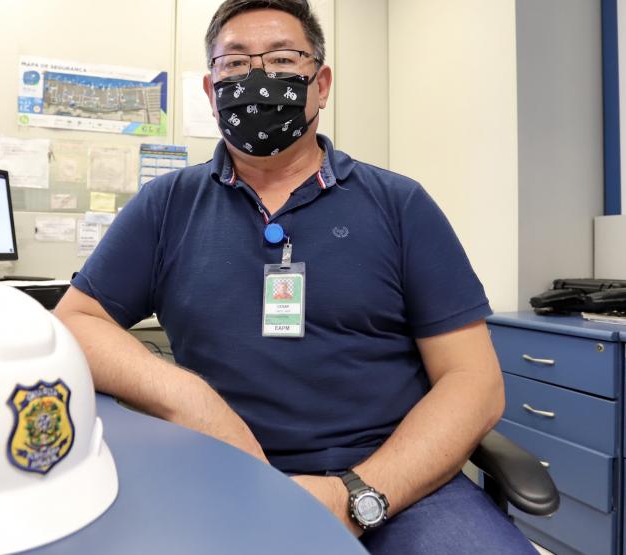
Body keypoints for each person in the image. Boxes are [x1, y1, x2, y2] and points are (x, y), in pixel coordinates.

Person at [53, 1, 536, 552]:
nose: (257, 78)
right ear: (211, 92)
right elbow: (76, 320)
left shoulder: (399, 205)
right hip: (218, 469)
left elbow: (474, 381)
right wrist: (189, 397)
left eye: (283, 59)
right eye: (233, 64)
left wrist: (357, 495)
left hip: (398, 481)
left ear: (321, 83)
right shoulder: (166, 205)